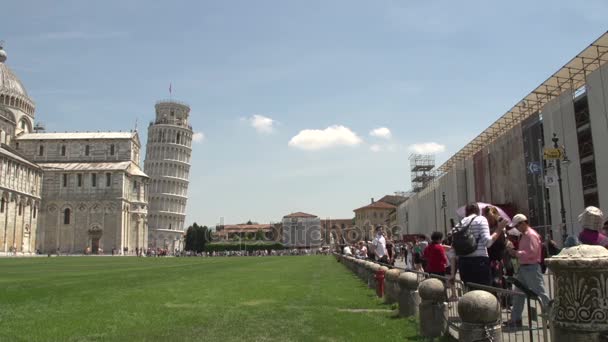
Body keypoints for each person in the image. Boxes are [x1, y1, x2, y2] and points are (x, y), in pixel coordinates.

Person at [504, 214, 551, 328]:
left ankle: (551, 316)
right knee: (518, 293)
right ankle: (516, 318)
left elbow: (532, 253)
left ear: (523, 223)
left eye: (517, 225)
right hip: (525, 267)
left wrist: (516, 253)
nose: (516, 228)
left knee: (540, 293)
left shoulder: (531, 235)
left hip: (531, 267)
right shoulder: (525, 235)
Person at [450, 203, 506, 286]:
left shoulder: (459, 224)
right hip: (479, 262)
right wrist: (499, 229)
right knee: (483, 293)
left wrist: (452, 274)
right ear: (477, 211)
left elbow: (453, 252)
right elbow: (488, 243)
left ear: (466, 212)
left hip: (463, 263)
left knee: (469, 294)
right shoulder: (481, 219)